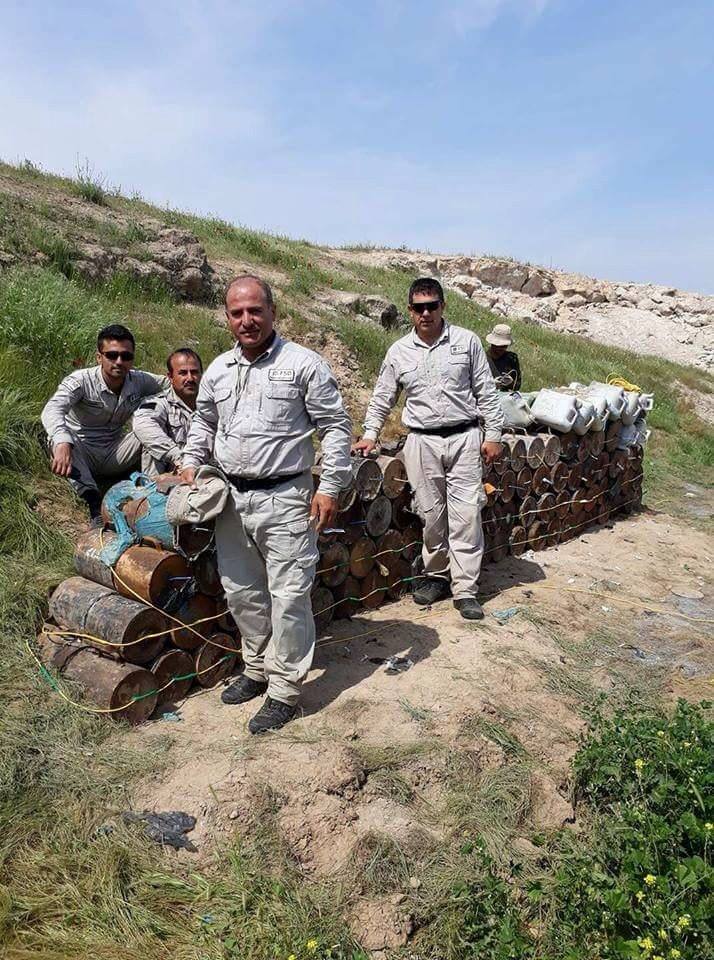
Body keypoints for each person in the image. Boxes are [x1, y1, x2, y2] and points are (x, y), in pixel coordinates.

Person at [179, 275, 352, 734]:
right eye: (237, 313)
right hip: (231, 500)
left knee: (290, 595)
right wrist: (192, 461)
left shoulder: (303, 364)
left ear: (273, 312)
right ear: (227, 318)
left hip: (287, 497)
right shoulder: (218, 369)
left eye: (255, 310)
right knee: (243, 592)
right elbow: (204, 421)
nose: (247, 320)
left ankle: (285, 690)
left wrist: (330, 486)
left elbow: (336, 427)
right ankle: (256, 668)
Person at [353, 277, 503, 621]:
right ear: (409, 311)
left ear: (442, 306)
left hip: (464, 438)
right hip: (421, 441)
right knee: (431, 515)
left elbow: (486, 390)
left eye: (432, 306)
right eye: (418, 307)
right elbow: (383, 396)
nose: (425, 313)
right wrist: (371, 433)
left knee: (466, 515)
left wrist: (493, 434)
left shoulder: (467, 342)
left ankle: (465, 589)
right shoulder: (398, 351)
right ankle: (436, 576)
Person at [41, 324, 168, 522]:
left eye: (126, 356)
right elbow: (52, 409)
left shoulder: (140, 380)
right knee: (60, 437)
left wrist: (157, 406)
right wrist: (62, 441)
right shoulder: (81, 380)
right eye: (112, 355)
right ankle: (93, 502)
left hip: (116, 452)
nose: (119, 362)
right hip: (81, 451)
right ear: (99, 357)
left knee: (148, 430)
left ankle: (152, 496)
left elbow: (172, 384)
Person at [133, 347, 203, 477]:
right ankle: (155, 486)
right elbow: (143, 425)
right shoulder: (159, 403)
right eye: (183, 373)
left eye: (194, 372)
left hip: (203, 471)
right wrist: (178, 457)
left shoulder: (212, 404)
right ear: (170, 377)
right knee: (151, 442)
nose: (190, 378)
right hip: (171, 472)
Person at [486, 323, 521, 391]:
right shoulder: (482, 359)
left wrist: (511, 383)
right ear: (492, 344)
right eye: (498, 346)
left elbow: (517, 386)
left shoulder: (512, 358)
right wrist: (491, 383)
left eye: (504, 346)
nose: (501, 349)